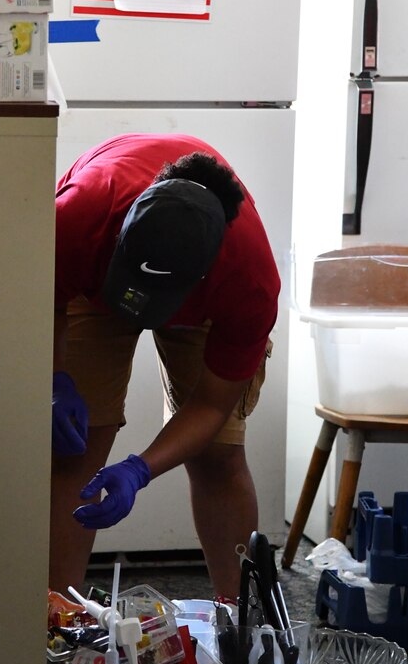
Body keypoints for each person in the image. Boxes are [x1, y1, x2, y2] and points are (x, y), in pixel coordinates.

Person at [50, 133, 280, 602]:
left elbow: (212, 405)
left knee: (218, 454)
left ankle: (237, 623)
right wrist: (52, 382)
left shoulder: (248, 280)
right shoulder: (74, 218)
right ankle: (54, 625)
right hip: (93, 282)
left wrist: (140, 469)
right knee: (73, 447)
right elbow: (45, 303)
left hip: (206, 300)